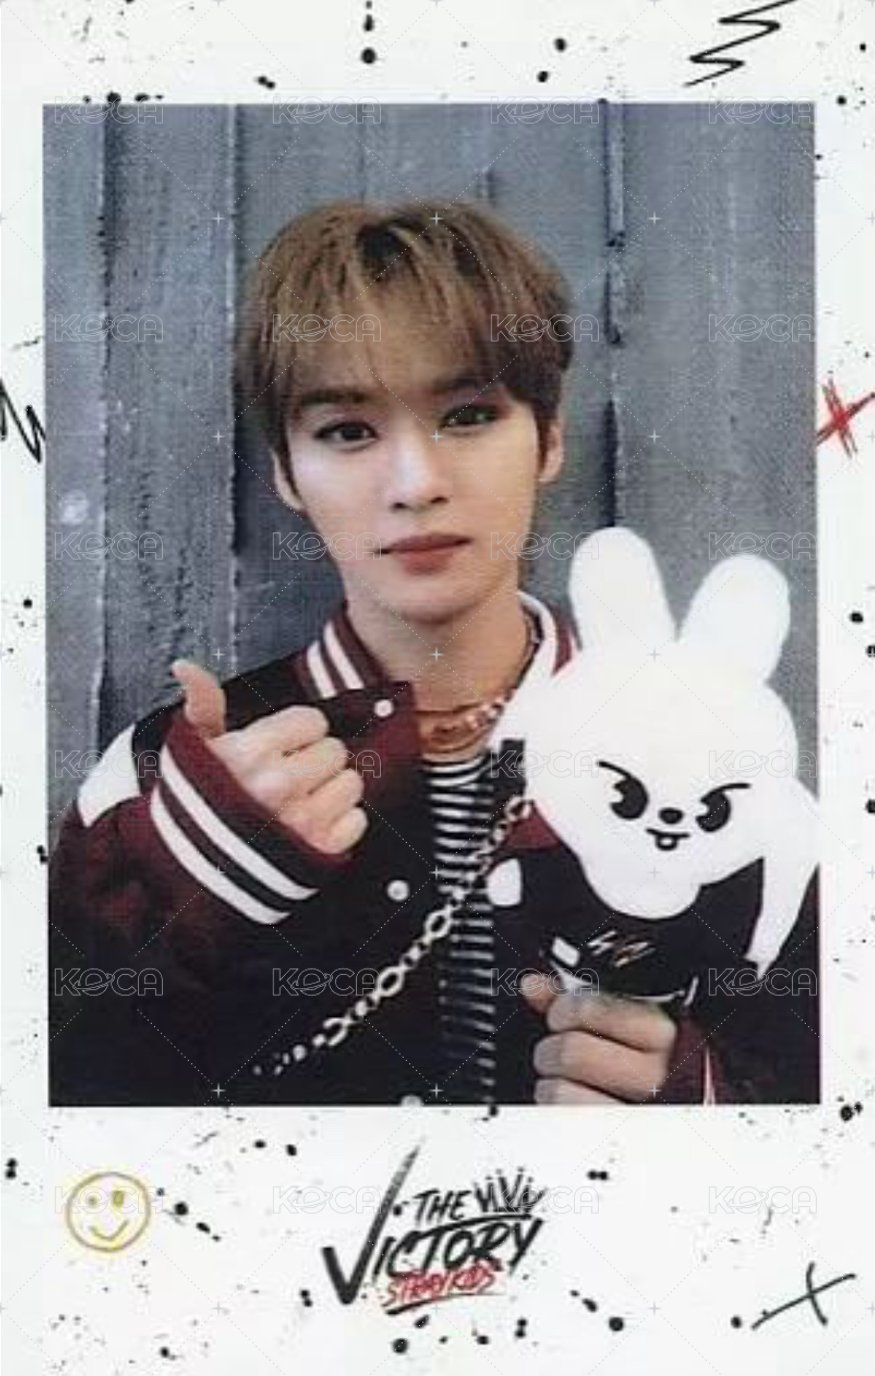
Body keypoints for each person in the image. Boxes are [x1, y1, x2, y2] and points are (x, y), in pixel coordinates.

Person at [48, 200, 818, 1106]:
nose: (416, 484)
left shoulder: (713, 759)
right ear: (286, 471)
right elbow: (60, 1128)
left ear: (548, 439)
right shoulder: (163, 775)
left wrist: (695, 1098)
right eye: (347, 431)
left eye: (468, 414)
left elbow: (826, 1114)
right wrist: (181, 892)